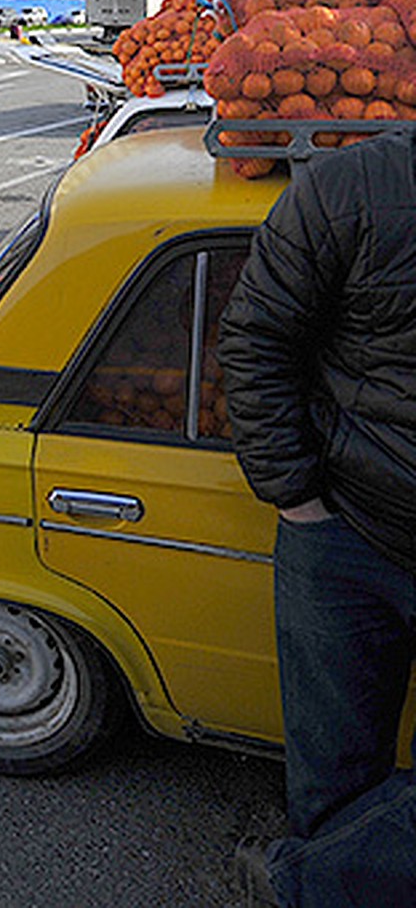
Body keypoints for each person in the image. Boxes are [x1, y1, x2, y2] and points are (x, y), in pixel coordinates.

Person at [218, 130, 416, 907]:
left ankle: (297, 886)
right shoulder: (351, 186)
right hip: (346, 536)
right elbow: (256, 338)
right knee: (333, 771)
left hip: (340, 531)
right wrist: (296, 498)